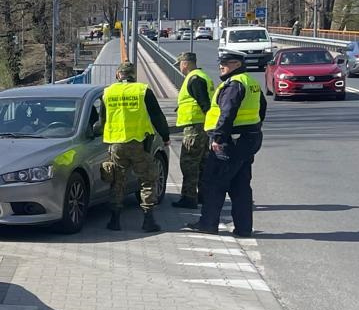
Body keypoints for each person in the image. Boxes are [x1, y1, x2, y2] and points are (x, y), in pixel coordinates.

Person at [181, 50, 266, 237]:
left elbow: (227, 113)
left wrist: (218, 138)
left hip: (231, 141)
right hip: (247, 139)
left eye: (226, 63)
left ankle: (208, 224)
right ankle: (244, 228)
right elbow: (262, 107)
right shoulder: (250, 82)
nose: (221, 66)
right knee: (240, 186)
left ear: (237, 64)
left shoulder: (234, 84)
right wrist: (254, 128)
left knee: (213, 183)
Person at [100, 61, 172, 233]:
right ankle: (148, 220)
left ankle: (115, 220)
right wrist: (165, 136)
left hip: (117, 144)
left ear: (118, 75)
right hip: (140, 144)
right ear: (134, 75)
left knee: (117, 180)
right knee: (147, 180)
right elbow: (157, 116)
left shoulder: (108, 92)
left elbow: (103, 119)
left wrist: (106, 137)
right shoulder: (143, 90)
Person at [170, 51, 213, 210]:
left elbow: (204, 104)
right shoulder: (203, 76)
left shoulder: (194, 79)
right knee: (202, 163)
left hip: (195, 127)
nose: (180, 68)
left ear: (185, 63)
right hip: (203, 126)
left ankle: (189, 198)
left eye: (180, 65)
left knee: (189, 163)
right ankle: (203, 196)